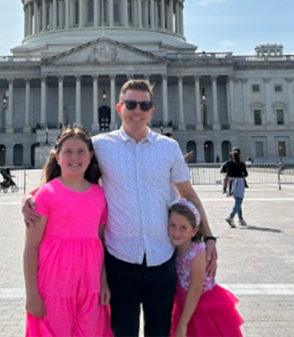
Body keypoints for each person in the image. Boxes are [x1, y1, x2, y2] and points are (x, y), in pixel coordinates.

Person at [23, 79, 217, 337]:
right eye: (131, 104)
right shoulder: (101, 146)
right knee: (122, 331)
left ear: (152, 110)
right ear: (119, 107)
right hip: (120, 259)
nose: (137, 110)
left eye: (144, 105)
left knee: (159, 330)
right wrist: (31, 195)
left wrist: (209, 236)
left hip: (162, 256)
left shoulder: (168, 148)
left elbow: (189, 195)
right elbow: (71, 174)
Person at [24, 125, 112, 337]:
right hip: (54, 283)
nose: (75, 157)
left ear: (90, 156)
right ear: (56, 156)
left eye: (81, 151)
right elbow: (31, 248)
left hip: (90, 284)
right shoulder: (45, 195)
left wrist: (103, 281)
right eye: (68, 151)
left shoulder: (100, 195)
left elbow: (101, 241)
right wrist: (32, 294)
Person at [168, 199, 244, 337]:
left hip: (204, 308)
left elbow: (195, 289)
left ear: (194, 231)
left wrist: (183, 323)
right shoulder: (171, 248)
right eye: (172, 225)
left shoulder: (197, 253)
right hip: (185, 306)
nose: (176, 232)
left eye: (183, 227)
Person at [223, 149, 249, 228]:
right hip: (239, 181)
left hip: (231, 182)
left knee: (237, 202)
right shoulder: (241, 164)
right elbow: (246, 174)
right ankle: (230, 217)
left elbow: (223, 170)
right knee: (239, 200)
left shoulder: (228, 163)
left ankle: (241, 219)